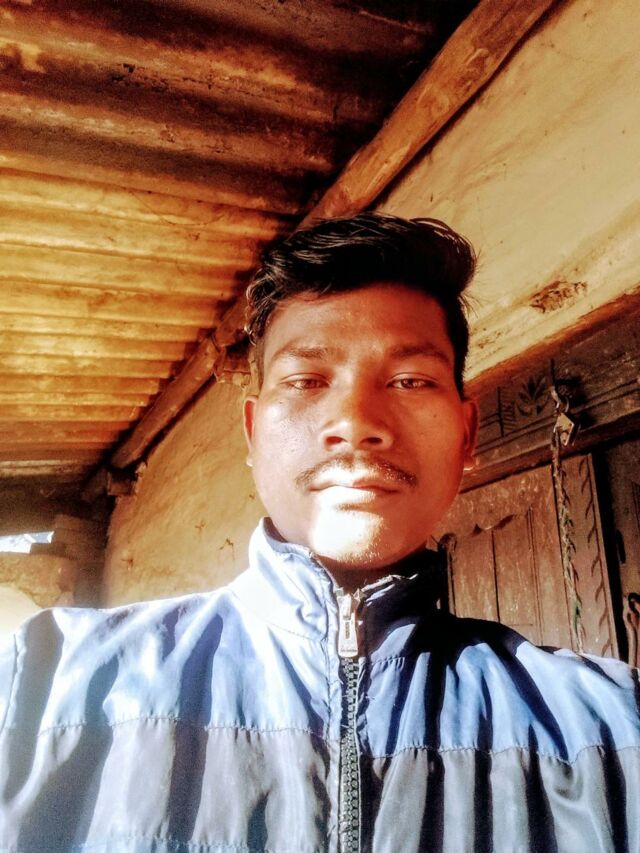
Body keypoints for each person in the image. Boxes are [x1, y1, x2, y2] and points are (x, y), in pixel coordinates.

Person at [1, 214, 638, 853]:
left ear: (466, 434)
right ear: (253, 433)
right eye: (306, 381)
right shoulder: (46, 682)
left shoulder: (610, 731)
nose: (356, 423)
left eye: (410, 381)